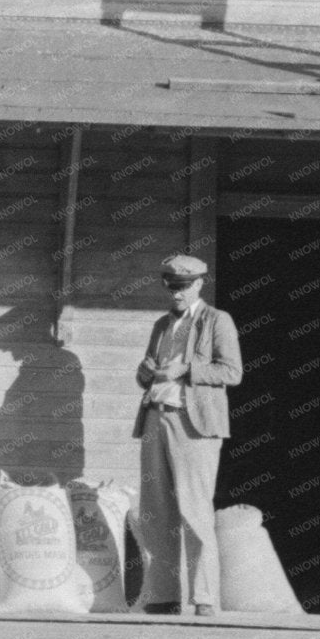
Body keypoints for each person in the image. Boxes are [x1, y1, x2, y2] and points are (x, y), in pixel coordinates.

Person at [132, 253, 242, 616]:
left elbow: (231, 372)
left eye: (182, 287)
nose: (175, 294)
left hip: (193, 424)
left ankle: (205, 598)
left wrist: (186, 369)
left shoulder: (217, 320)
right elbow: (146, 375)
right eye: (170, 286)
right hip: (155, 418)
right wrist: (145, 372)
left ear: (199, 284)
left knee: (194, 510)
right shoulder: (162, 324)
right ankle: (163, 595)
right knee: (156, 510)